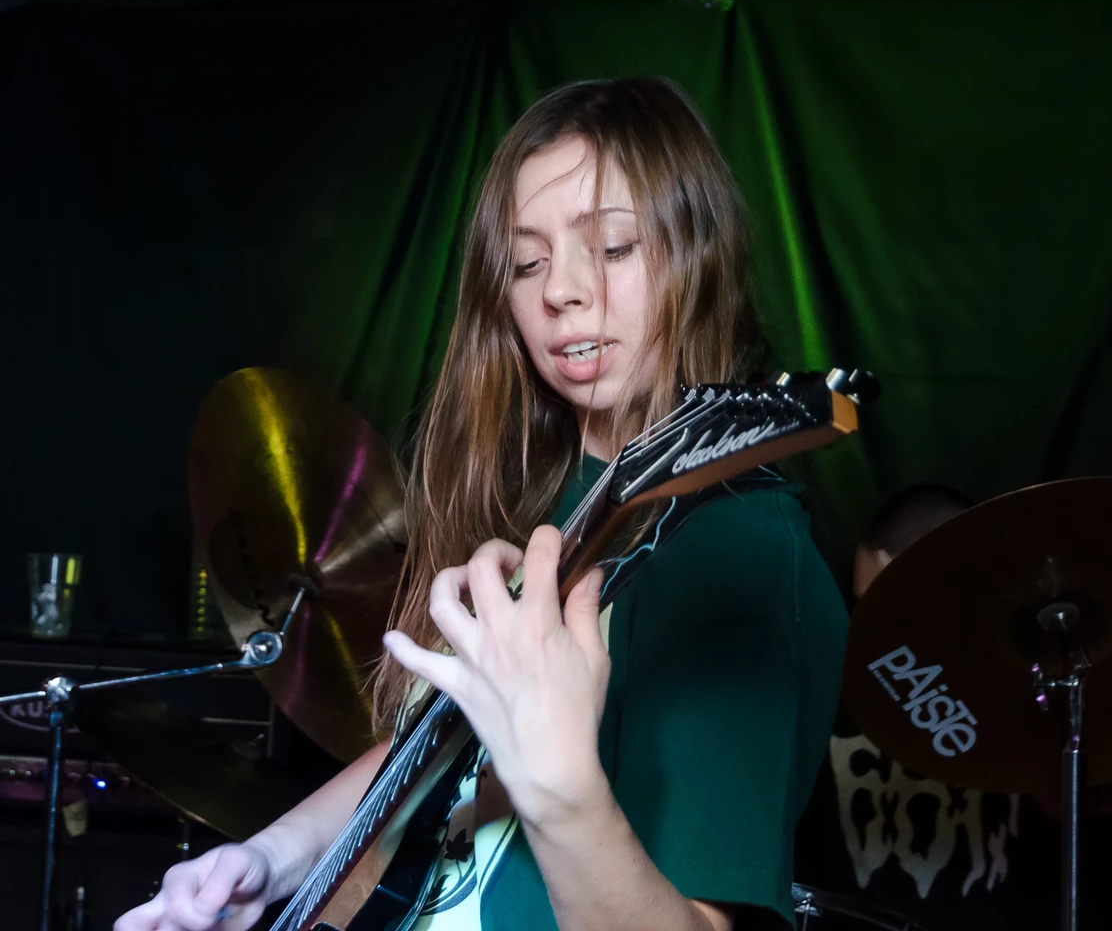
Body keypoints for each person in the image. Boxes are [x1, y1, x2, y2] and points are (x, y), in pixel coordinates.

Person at [117, 77, 848, 931]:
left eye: (613, 247)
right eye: (527, 262)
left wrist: (560, 791)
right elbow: (443, 745)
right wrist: (270, 860)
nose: (560, 290)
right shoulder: (550, 499)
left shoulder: (741, 547)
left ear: (701, 254)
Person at [796, 484, 1112, 929]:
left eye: (891, 610)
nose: (872, 632)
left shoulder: (1053, 682)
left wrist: (1082, 796)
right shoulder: (827, 692)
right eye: (863, 608)